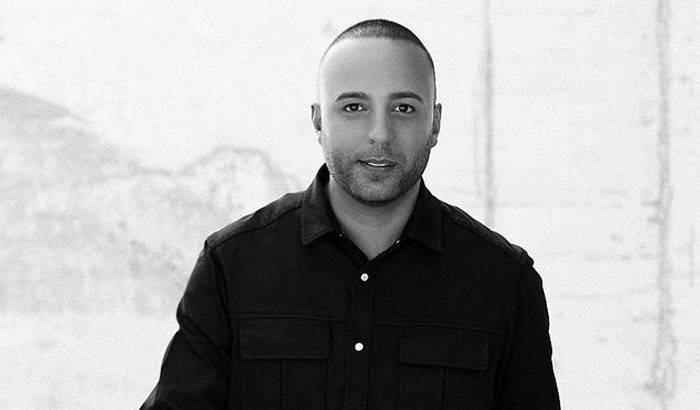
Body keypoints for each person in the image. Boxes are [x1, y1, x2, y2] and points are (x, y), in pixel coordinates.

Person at [141, 19, 560, 409]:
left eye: (403, 108)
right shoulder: (232, 265)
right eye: (354, 107)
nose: (380, 133)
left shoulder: (505, 281)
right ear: (318, 121)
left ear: (434, 123)